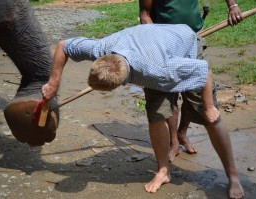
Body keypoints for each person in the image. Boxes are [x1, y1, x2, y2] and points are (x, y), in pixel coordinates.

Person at [41, 24, 243, 198]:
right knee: (156, 116)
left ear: (120, 84)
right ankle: (163, 171)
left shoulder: (158, 70)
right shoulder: (101, 48)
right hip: (155, 43)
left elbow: (202, 70)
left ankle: (232, 175)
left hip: (185, 45)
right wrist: (53, 83)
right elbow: (63, 46)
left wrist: (208, 107)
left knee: (210, 118)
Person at [138, 1, 244, 198]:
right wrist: (157, 45)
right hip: (161, 49)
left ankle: (233, 175)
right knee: (158, 111)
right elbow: (145, 14)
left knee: (209, 112)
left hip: (192, 43)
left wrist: (233, 5)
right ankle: (163, 170)